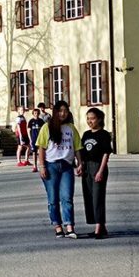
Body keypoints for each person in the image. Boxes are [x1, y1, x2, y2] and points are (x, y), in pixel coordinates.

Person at [36, 100, 84, 238]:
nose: (63, 113)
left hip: (66, 166)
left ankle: (69, 226)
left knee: (67, 197)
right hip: (51, 166)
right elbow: (41, 148)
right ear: (55, 112)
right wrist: (42, 166)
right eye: (60, 111)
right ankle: (57, 226)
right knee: (53, 199)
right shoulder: (47, 127)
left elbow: (78, 148)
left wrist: (80, 163)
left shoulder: (71, 128)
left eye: (65, 111)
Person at [78, 107, 113, 239]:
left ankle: (99, 226)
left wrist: (101, 171)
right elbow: (82, 152)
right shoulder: (86, 134)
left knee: (98, 197)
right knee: (89, 197)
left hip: (98, 166)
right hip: (87, 167)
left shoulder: (103, 134)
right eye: (88, 118)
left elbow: (106, 154)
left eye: (92, 118)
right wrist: (80, 165)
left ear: (99, 119)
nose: (89, 121)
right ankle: (101, 226)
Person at [28, 108, 44, 173]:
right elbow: (28, 130)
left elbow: (44, 130)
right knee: (34, 152)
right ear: (33, 114)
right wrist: (30, 139)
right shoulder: (31, 121)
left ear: (39, 114)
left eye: (37, 113)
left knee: (41, 152)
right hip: (33, 138)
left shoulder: (41, 121)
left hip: (40, 139)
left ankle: (42, 166)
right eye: (35, 113)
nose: (36, 114)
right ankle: (35, 166)